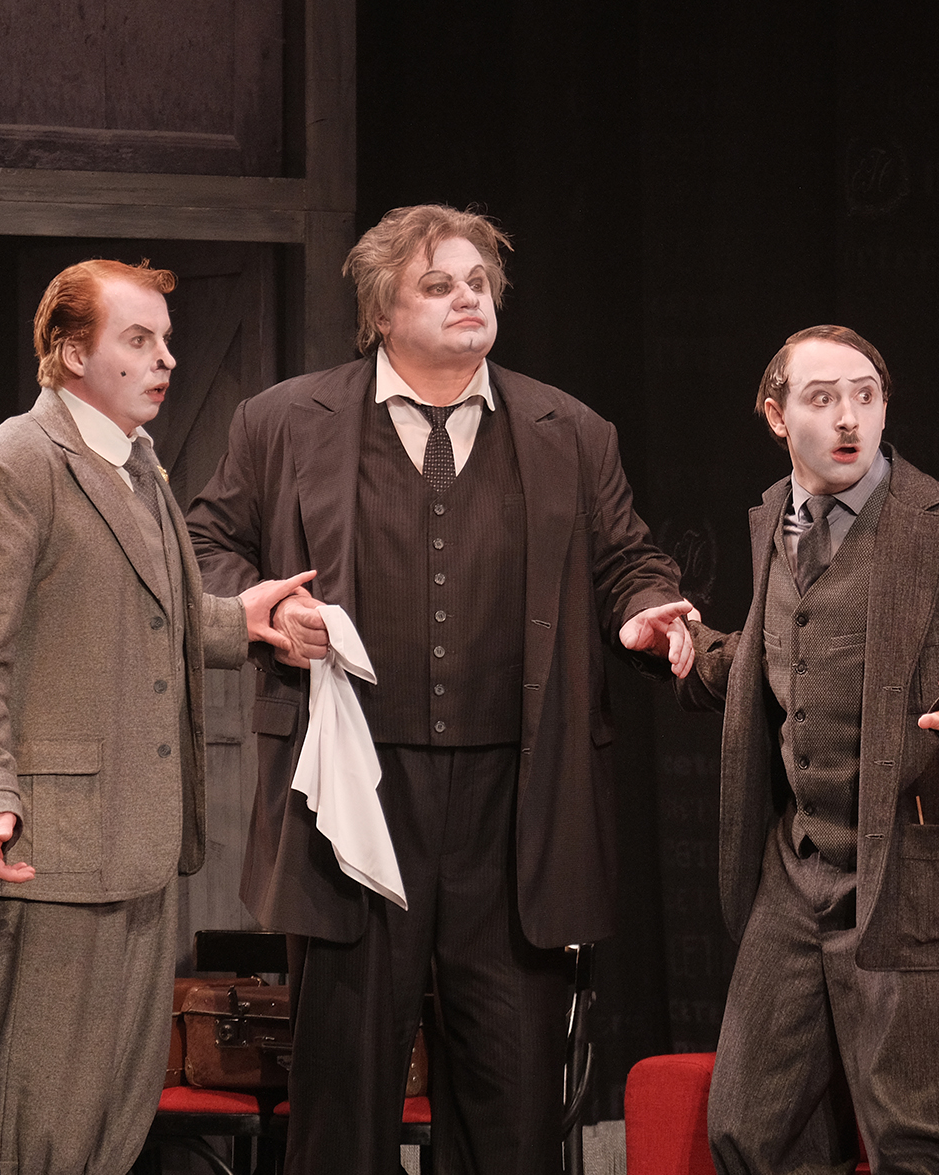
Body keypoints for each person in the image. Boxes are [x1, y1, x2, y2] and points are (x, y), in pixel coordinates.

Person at [188, 204, 694, 1174]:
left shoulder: (570, 430)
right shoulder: (283, 420)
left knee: (510, 1100)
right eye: (438, 284)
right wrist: (263, 607)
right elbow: (208, 546)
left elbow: (628, 560)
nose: (468, 297)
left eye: (478, 282)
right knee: (343, 1095)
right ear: (381, 310)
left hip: (517, 802)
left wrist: (641, 611)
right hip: (351, 791)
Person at [0, 259, 312, 1175]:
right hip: (49, 851)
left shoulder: (136, 465)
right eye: (139, 339)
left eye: (167, 340)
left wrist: (241, 621)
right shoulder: (17, 462)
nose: (166, 358)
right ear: (71, 352)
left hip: (135, 842)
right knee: (32, 1123)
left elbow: (140, 610)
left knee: (111, 1117)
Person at [676, 325, 939, 1174]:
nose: (849, 418)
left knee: (924, 1139)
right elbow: (779, 654)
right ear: (777, 415)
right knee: (752, 1125)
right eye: (822, 399)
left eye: (866, 396)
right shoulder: (773, 520)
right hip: (796, 869)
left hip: (909, 868)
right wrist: (693, 650)